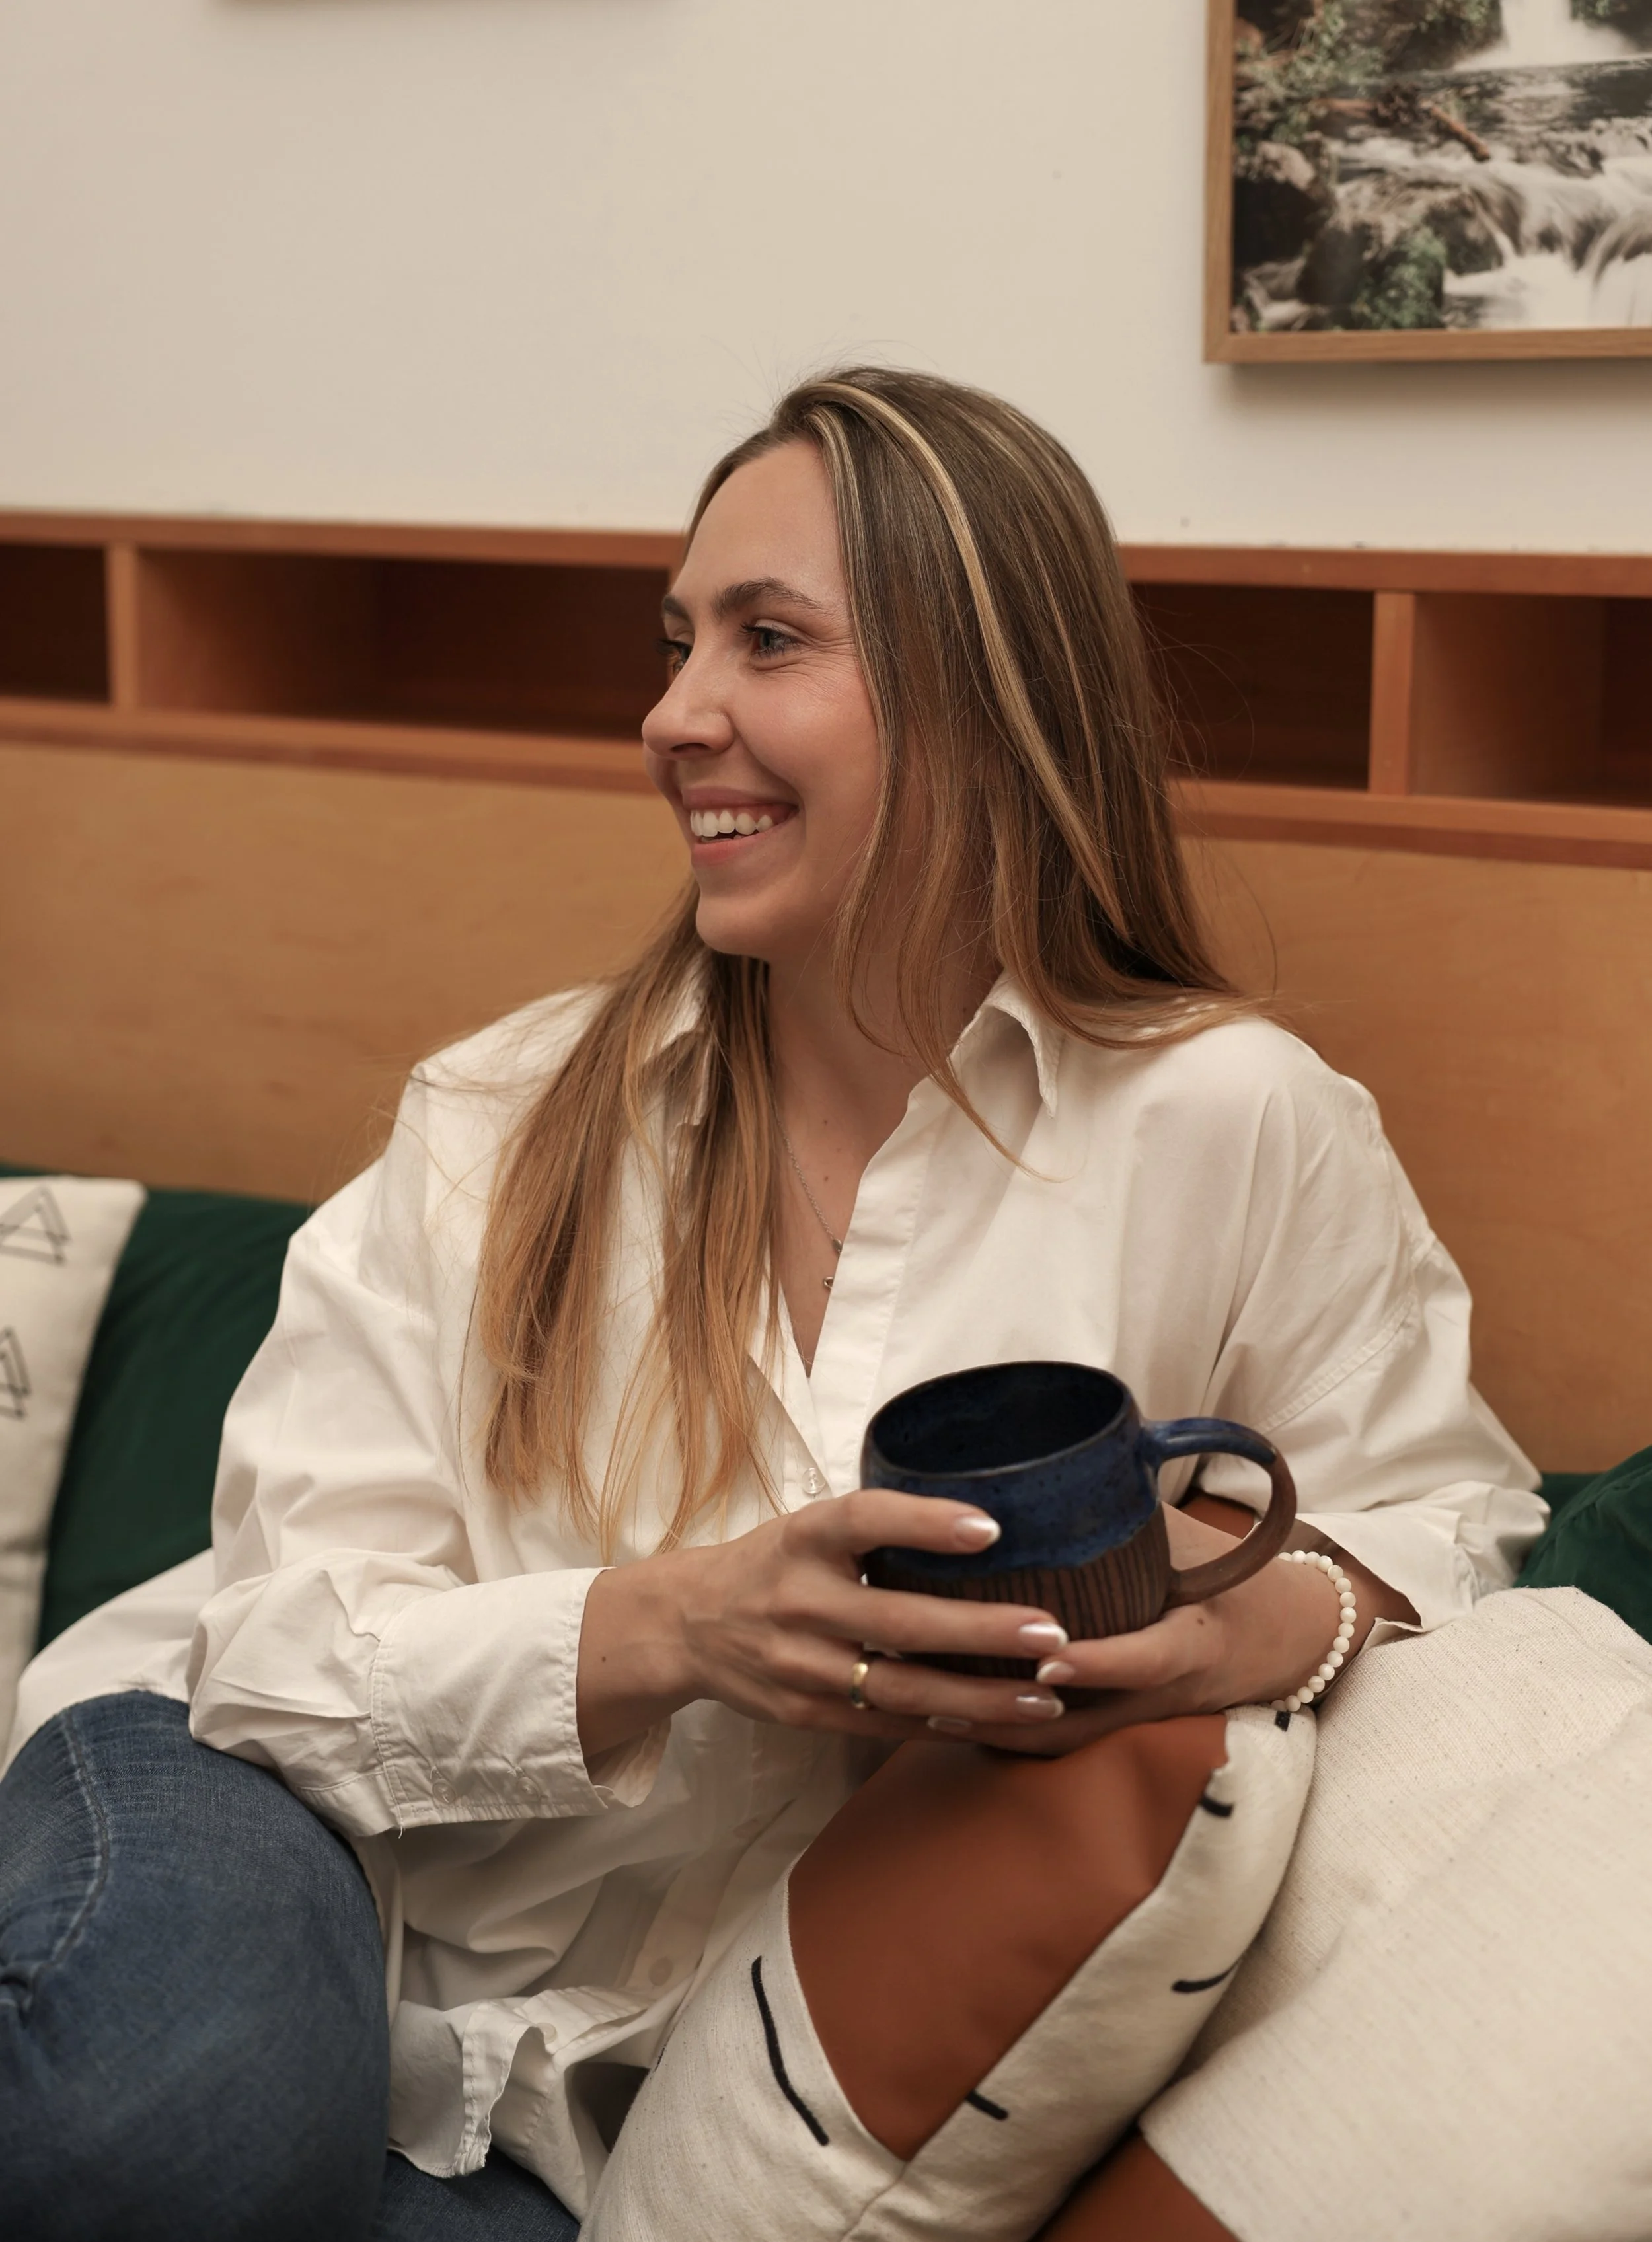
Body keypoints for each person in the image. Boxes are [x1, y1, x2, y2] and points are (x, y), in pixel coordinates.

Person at [0, 368, 1544, 2241]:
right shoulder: (505, 1117)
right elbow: (270, 1665)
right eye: (674, 643)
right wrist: (667, 1630)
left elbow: (1451, 1524)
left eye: (766, 641)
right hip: (251, 1805)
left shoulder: (1231, 1125)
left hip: (596, 2094)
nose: (670, 716)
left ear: (982, 699)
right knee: (159, 2146)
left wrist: (1238, 1635)